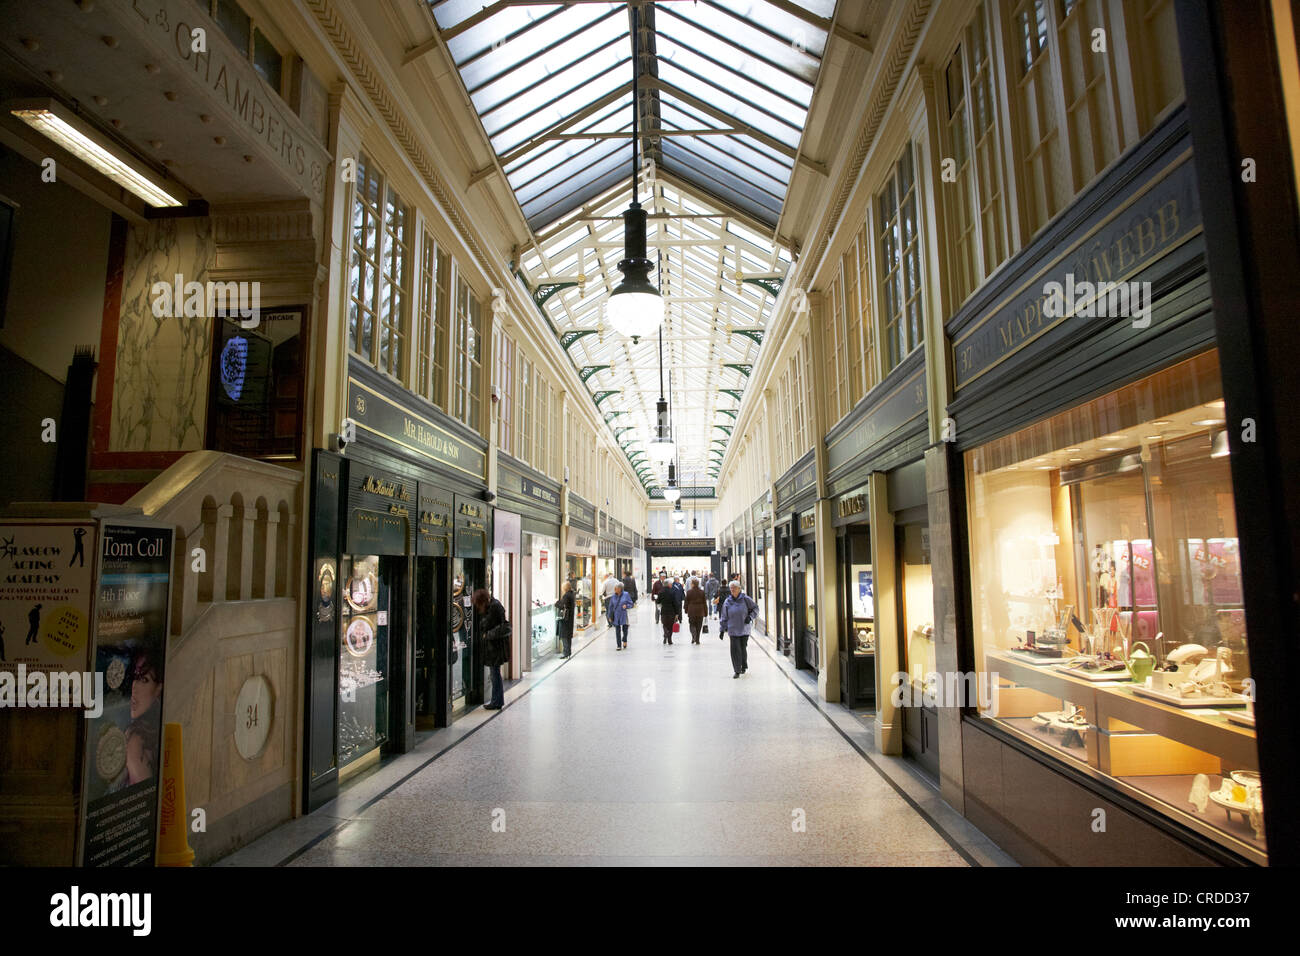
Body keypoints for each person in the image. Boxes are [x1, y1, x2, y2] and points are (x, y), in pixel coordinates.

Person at [473, 588, 509, 709]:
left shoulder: (494, 607)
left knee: (495, 674)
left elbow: (499, 626)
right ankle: (496, 700)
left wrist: (487, 635)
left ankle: (496, 701)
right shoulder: (493, 605)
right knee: (495, 673)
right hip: (494, 646)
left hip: (495, 647)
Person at [719, 580, 759, 678]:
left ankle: (743, 665)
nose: (732, 590)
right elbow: (724, 616)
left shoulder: (746, 599)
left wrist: (750, 617)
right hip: (732, 629)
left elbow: (755, 608)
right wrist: (722, 629)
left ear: (739, 589)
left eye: (734, 588)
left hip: (744, 629)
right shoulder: (727, 601)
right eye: (731, 588)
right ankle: (737, 670)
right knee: (735, 650)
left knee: (742, 648)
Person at [607, 582, 633, 650]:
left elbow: (631, 604)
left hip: (624, 615)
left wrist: (626, 606)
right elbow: (610, 607)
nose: (615, 589)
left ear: (620, 589)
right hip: (616, 615)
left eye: (616, 588)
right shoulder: (613, 596)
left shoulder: (626, 594)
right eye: (615, 588)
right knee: (617, 630)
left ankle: (624, 640)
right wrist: (609, 616)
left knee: (625, 629)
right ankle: (618, 645)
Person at [684, 577, 708, 644]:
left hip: (691, 611)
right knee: (699, 626)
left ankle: (693, 636)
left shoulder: (689, 592)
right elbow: (704, 603)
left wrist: (686, 610)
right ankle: (697, 639)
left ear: (693, 584)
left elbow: (686, 602)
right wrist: (706, 612)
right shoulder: (702, 592)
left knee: (692, 624)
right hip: (700, 611)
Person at [660, 576, 683, 645]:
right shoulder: (672, 592)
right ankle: (669, 639)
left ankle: (665, 635)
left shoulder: (661, 592)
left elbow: (658, 601)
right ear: (669, 584)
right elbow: (675, 603)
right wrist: (677, 613)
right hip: (671, 612)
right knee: (670, 625)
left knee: (664, 624)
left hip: (664, 611)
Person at [557, 580, 576, 658]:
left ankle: (566, 652)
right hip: (570, 618)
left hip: (566, 619)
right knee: (568, 636)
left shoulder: (566, 595)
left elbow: (562, 605)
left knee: (564, 636)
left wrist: (556, 603)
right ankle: (568, 652)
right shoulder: (571, 594)